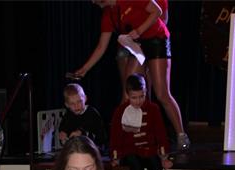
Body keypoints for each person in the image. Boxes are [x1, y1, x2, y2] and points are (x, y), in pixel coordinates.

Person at [72, 0, 190, 151]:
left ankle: (181, 135)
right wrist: (85, 68)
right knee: (128, 93)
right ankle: (122, 140)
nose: (94, 3)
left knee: (162, 93)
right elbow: (101, 46)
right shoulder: (108, 15)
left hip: (157, 39)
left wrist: (139, 30)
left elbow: (158, 11)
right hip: (137, 45)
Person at [110, 73, 172, 170]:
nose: (138, 101)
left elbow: (160, 133)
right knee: (135, 169)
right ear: (127, 95)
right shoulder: (121, 111)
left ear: (146, 92)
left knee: (156, 169)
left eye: (141, 96)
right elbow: (115, 136)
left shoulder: (153, 109)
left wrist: (164, 156)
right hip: (130, 152)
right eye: (134, 97)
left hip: (148, 150)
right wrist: (115, 157)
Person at [59, 83, 107, 151]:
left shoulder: (92, 113)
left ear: (85, 98)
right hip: (75, 150)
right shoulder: (68, 115)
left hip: (94, 149)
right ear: (67, 105)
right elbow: (63, 128)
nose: (76, 106)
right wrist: (63, 133)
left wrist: (82, 133)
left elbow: (101, 137)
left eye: (79, 101)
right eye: (72, 103)